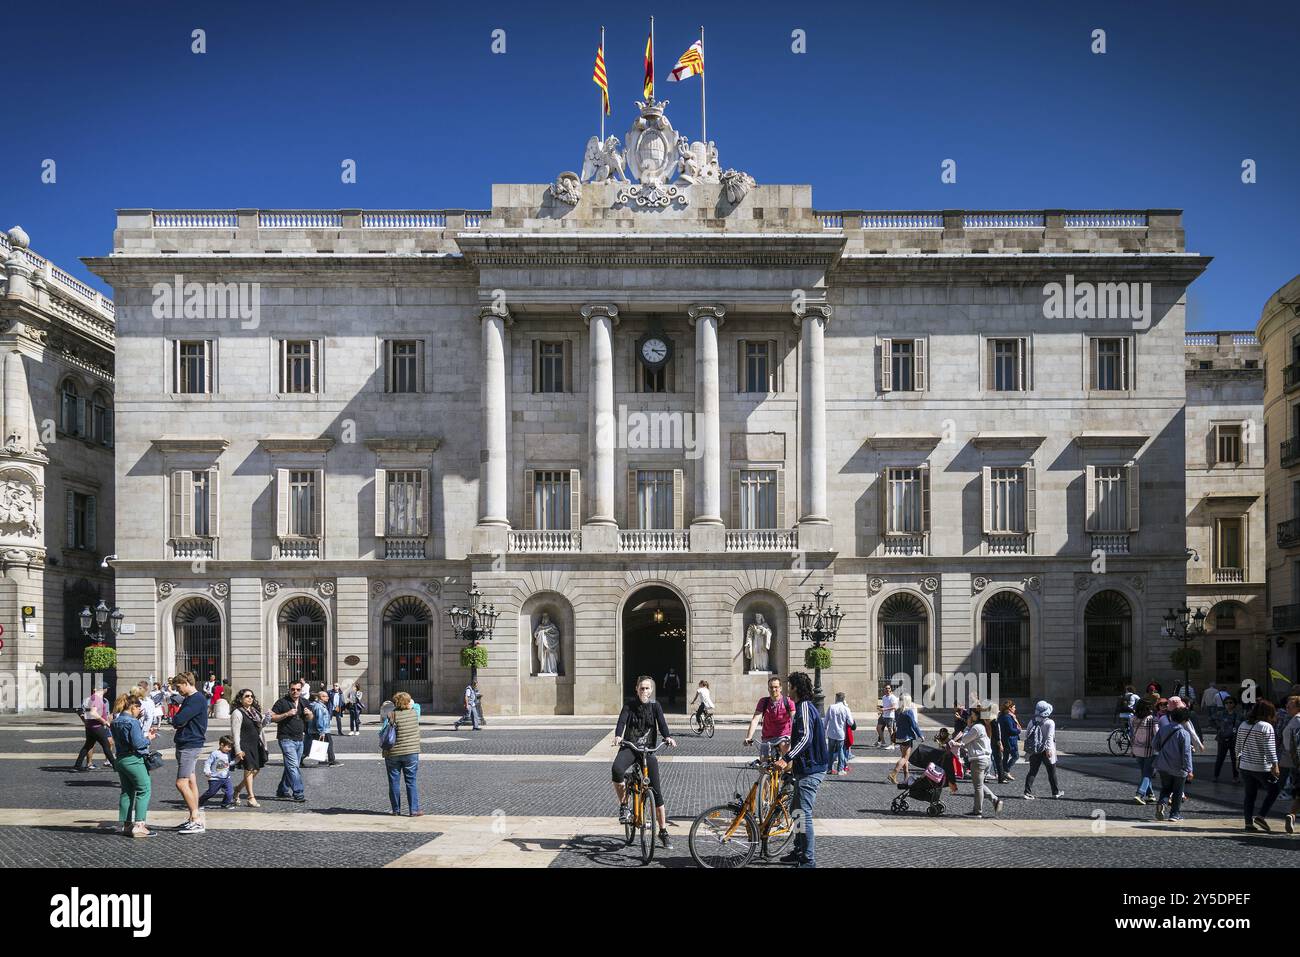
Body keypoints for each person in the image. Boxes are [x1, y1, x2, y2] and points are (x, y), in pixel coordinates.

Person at [611, 676, 677, 850]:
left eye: (648, 688)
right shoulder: (629, 705)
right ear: (636, 689)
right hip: (630, 747)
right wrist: (618, 736)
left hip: (648, 751)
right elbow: (621, 722)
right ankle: (624, 806)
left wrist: (668, 737)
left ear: (652, 690)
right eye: (642, 688)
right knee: (617, 770)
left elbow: (662, 724)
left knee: (656, 791)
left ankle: (663, 831)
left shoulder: (656, 706)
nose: (645, 692)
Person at [776, 671, 828, 868]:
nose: (788, 689)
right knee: (795, 810)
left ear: (796, 688)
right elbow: (801, 737)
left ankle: (808, 860)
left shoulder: (805, 707)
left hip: (812, 769)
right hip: (804, 768)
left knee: (803, 813)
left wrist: (786, 758)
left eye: (790, 686)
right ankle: (799, 850)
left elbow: (806, 738)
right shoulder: (802, 707)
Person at [110, 694, 156, 838]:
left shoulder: (115, 721)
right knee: (144, 789)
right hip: (133, 759)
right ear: (133, 707)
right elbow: (138, 744)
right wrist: (149, 738)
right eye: (138, 708)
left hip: (121, 759)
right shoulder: (132, 722)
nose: (139, 711)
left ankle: (126, 824)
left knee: (127, 791)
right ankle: (140, 825)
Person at [171, 672, 209, 833]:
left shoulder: (196, 699)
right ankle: (193, 817)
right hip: (187, 743)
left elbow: (178, 720)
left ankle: (196, 819)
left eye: (178, 686)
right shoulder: (190, 699)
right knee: (191, 781)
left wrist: (177, 718)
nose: (177, 690)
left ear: (186, 682)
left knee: (181, 783)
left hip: (190, 744)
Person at [1236, 699, 1281, 832]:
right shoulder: (1266, 727)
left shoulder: (1243, 724)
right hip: (1261, 766)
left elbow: (1238, 745)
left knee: (1250, 795)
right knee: (1274, 790)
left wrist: (1238, 761)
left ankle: (1248, 823)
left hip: (1245, 766)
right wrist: (1275, 765)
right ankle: (1261, 816)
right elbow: (1270, 748)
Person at [954, 707, 1003, 817]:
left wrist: (967, 726)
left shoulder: (977, 727)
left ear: (977, 715)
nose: (970, 716)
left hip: (978, 760)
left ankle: (978, 811)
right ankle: (995, 800)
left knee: (978, 787)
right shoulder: (984, 727)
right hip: (985, 759)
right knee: (979, 784)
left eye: (972, 714)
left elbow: (964, 739)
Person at [381, 691, 423, 816]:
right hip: (411, 752)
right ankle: (414, 810)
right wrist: (409, 703)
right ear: (408, 702)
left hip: (392, 752)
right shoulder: (415, 713)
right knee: (411, 781)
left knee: (393, 781)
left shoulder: (391, 715)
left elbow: (383, 731)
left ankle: (396, 810)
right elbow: (417, 705)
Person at [1153, 707, 1194, 822]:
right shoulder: (1184, 733)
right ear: (1185, 720)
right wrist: (1189, 769)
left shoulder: (1163, 729)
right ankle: (1174, 814)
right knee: (1177, 791)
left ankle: (1162, 803)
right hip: (1178, 767)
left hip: (1163, 764)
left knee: (1166, 788)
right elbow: (1186, 753)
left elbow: (1154, 745)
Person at [271, 680, 309, 803]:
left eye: (298, 689)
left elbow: (310, 718)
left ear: (301, 690)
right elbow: (272, 717)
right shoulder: (282, 702)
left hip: (299, 739)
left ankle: (282, 789)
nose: (295, 691)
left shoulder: (304, 702)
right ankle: (298, 792)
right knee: (293, 766)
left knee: (292, 766)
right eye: (293, 689)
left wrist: (309, 714)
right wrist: (286, 714)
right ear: (289, 689)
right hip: (286, 738)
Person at [744, 676, 796, 762]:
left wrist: (794, 736)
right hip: (767, 737)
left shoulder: (788, 702)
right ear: (768, 689)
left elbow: (794, 719)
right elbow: (755, 720)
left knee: (788, 758)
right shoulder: (763, 702)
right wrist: (748, 737)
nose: (773, 689)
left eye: (776, 687)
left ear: (781, 688)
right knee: (763, 765)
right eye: (771, 687)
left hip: (784, 735)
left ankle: (787, 773)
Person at [230, 689, 267, 807]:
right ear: (240, 699)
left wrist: (267, 719)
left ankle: (237, 789)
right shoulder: (237, 712)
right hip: (244, 745)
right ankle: (251, 797)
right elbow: (235, 732)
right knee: (249, 769)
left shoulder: (254, 711)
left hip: (255, 744)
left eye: (251, 696)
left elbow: (259, 726)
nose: (250, 698)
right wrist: (237, 749)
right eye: (247, 696)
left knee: (256, 769)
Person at [1021, 700, 1064, 800]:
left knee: (1032, 771)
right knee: (1051, 772)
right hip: (1046, 751)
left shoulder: (1032, 721)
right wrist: (1049, 750)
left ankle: (1027, 792)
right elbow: (1049, 737)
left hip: (1035, 750)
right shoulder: (1050, 722)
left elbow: (1027, 735)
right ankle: (1055, 792)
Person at [74, 685, 116, 772]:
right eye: (106, 688)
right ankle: (116, 766)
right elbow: (93, 713)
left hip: (90, 726)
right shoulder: (96, 699)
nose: (107, 690)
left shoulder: (91, 698)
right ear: (104, 689)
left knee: (88, 745)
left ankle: (77, 765)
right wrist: (104, 722)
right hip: (97, 727)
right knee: (106, 746)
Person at [1128, 699, 1159, 803]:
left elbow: (1131, 734)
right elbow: (1157, 734)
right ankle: (1140, 794)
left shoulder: (1133, 718)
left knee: (1145, 773)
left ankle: (1151, 794)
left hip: (1137, 749)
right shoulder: (1152, 719)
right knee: (1147, 774)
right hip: (1149, 750)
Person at [888, 693, 923, 784]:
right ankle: (893, 773)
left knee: (904, 758)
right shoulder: (908, 711)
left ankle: (906, 777)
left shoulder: (897, 711)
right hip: (907, 737)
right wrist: (920, 735)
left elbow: (897, 723)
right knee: (904, 758)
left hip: (899, 736)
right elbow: (914, 725)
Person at [198, 736, 237, 810]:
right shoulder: (215, 753)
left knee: (230, 792)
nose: (229, 749)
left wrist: (237, 760)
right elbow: (208, 763)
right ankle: (199, 802)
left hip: (226, 778)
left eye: (230, 747)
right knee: (211, 792)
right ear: (221, 745)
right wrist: (207, 771)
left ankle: (225, 804)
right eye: (228, 747)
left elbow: (229, 764)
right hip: (215, 778)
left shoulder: (227, 754)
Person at [1275, 697, 1299, 799]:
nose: (1287, 708)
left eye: (1289, 706)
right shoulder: (1294, 718)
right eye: (1286, 706)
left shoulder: (1297, 720)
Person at [825, 692, 855, 775]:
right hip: (841, 733)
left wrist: (824, 728)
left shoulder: (831, 707)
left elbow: (826, 720)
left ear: (836, 698)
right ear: (843, 699)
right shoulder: (846, 709)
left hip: (831, 733)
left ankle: (829, 768)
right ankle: (840, 769)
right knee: (840, 751)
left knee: (830, 751)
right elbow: (851, 722)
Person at [1212, 696, 1240, 783]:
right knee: (1220, 758)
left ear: (1234, 704)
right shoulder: (1221, 713)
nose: (1228, 704)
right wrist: (1218, 727)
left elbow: (1242, 724)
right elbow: (1211, 719)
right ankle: (1216, 776)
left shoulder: (1238, 715)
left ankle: (1235, 777)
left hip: (1234, 739)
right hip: (1222, 739)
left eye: (1230, 702)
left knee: (1234, 759)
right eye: (1226, 703)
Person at [312, 690, 342, 766]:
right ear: (320, 698)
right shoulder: (319, 707)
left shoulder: (321, 705)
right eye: (325, 696)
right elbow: (319, 719)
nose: (328, 697)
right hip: (324, 729)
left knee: (324, 744)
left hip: (324, 729)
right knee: (329, 744)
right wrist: (321, 731)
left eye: (327, 696)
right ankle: (331, 761)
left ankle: (322, 761)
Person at [998, 701, 1022, 778]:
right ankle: (1006, 771)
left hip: (1006, 739)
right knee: (1015, 756)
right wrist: (1018, 731)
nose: (1015, 709)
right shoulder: (1007, 717)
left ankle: (1003, 772)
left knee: (1005, 756)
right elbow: (1010, 730)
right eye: (1014, 707)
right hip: (1010, 740)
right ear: (1010, 708)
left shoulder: (1003, 715)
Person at [877, 683, 898, 748]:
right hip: (883, 715)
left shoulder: (893, 697)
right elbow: (885, 706)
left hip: (890, 716)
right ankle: (883, 742)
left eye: (889, 688)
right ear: (884, 689)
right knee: (878, 728)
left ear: (891, 689)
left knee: (890, 730)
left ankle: (892, 744)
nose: (887, 689)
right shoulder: (883, 697)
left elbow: (894, 707)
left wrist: (884, 709)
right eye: (886, 688)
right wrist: (881, 711)